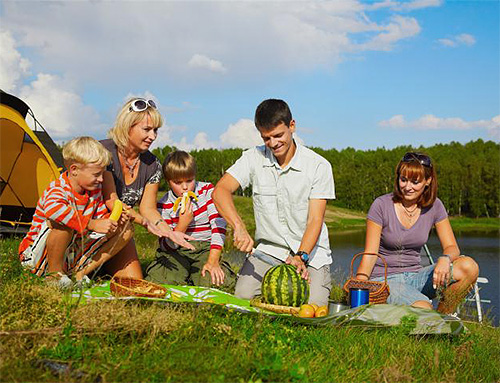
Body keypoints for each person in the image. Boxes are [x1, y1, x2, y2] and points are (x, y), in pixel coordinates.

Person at [213, 99, 335, 306]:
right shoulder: (253, 158)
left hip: (310, 253)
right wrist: (239, 227)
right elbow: (220, 191)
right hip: (269, 251)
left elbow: (315, 220)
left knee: (313, 307)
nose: (273, 144)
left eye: (278, 135)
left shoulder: (318, 166)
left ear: (292, 126)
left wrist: (300, 256)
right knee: (242, 299)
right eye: (266, 138)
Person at [355, 152, 479, 313]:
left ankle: (442, 318)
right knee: (423, 308)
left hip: (416, 277)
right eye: (403, 179)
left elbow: (452, 247)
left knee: (468, 266)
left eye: (415, 182)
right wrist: (360, 281)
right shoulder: (381, 205)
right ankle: (431, 320)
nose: (407, 187)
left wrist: (445, 258)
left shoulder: (435, 206)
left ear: (428, 181)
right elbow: (370, 253)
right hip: (385, 280)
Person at [18, 137, 133, 288]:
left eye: (102, 174)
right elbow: (54, 211)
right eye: (96, 174)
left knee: (126, 229)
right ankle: (54, 275)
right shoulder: (59, 189)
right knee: (62, 220)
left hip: (70, 253)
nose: (101, 179)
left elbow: (100, 218)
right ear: (74, 170)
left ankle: (79, 273)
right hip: (37, 255)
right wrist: (92, 224)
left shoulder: (94, 191)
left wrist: (111, 222)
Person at [101, 98, 194, 280]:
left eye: (155, 130)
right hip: (92, 224)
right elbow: (112, 201)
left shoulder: (153, 165)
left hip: (119, 230)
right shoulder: (103, 151)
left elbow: (148, 208)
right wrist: (144, 223)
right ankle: (81, 269)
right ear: (128, 126)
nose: (153, 136)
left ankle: (99, 267)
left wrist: (167, 231)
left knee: (134, 281)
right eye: (146, 130)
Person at [145, 151, 235, 288]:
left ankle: (198, 278)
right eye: (178, 182)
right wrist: (182, 225)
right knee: (160, 280)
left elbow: (218, 227)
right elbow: (165, 245)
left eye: (189, 180)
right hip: (177, 251)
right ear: (168, 182)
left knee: (213, 281)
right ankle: (184, 278)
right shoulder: (163, 205)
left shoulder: (207, 191)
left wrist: (213, 260)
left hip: (206, 248)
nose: (185, 187)